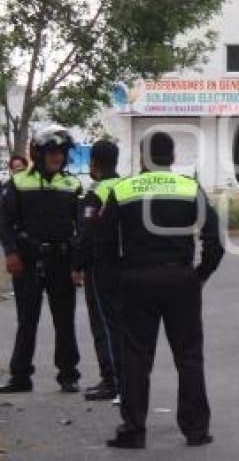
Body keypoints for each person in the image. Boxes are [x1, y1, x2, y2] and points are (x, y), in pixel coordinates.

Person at [100, 132, 223, 449]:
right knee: (189, 357)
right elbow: (215, 239)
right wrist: (199, 274)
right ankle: (195, 430)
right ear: (171, 158)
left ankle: (134, 429)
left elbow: (104, 242)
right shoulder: (188, 187)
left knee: (136, 357)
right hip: (180, 279)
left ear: (143, 158)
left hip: (137, 280)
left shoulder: (123, 189)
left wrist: (117, 279)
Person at [0, 126, 82, 393]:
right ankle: (21, 377)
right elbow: (5, 222)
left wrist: (78, 264)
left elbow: (80, 228)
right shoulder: (19, 182)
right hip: (27, 259)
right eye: (52, 152)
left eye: (62, 152)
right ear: (39, 153)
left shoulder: (72, 184)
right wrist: (11, 252)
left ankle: (68, 375)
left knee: (64, 320)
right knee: (27, 320)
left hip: (62, 259)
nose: (57, 156)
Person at [72, 140, 123, 401]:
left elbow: (87, 233)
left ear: (93, 163)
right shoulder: (125, 187)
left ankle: (111, 380)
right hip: (125, 265)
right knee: (122, 324)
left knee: (103, 324)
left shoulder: (98, 192)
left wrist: (77, 266)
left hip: (101, 266)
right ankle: (124, 379)